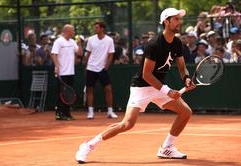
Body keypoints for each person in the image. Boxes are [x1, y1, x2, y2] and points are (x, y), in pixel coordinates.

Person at [75, 8, 195, 164]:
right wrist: (168, 91)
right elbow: (146, 75)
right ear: (167, 21)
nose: (180, 22)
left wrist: (186, 78)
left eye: (180, 19)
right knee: (127, 124)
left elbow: (181, 67)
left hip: (158, 87)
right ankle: (88, 146)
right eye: (177, 19)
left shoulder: (177, 43)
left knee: (185, 112)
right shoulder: (154, 45)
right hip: (142, 87)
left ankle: (167, 147)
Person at [85, 21, 118, 119]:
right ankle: (90, 111)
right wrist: (86, 66)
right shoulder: (91, 39)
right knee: (89, 90)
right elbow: (88, 54)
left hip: (102, 69)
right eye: (95, 27)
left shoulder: (109, 40)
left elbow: (111, 55)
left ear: (102, 29)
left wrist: (106, 67)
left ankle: (110, 111)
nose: (95, 29)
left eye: (97, 27)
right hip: (91, 68)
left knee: (108, 89)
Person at [51, 24, 83, 120]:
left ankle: (67, 113)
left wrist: (79, 43)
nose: (73, 32)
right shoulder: (59, 41)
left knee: (69, 94)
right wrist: (57, 66)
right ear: (67, 31)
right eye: (72, 30)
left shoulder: (73, 42)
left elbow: (80, 53)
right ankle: (59, 113)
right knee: (61, 93)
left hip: (70, 72)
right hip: (62, 72)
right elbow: (54, 54)